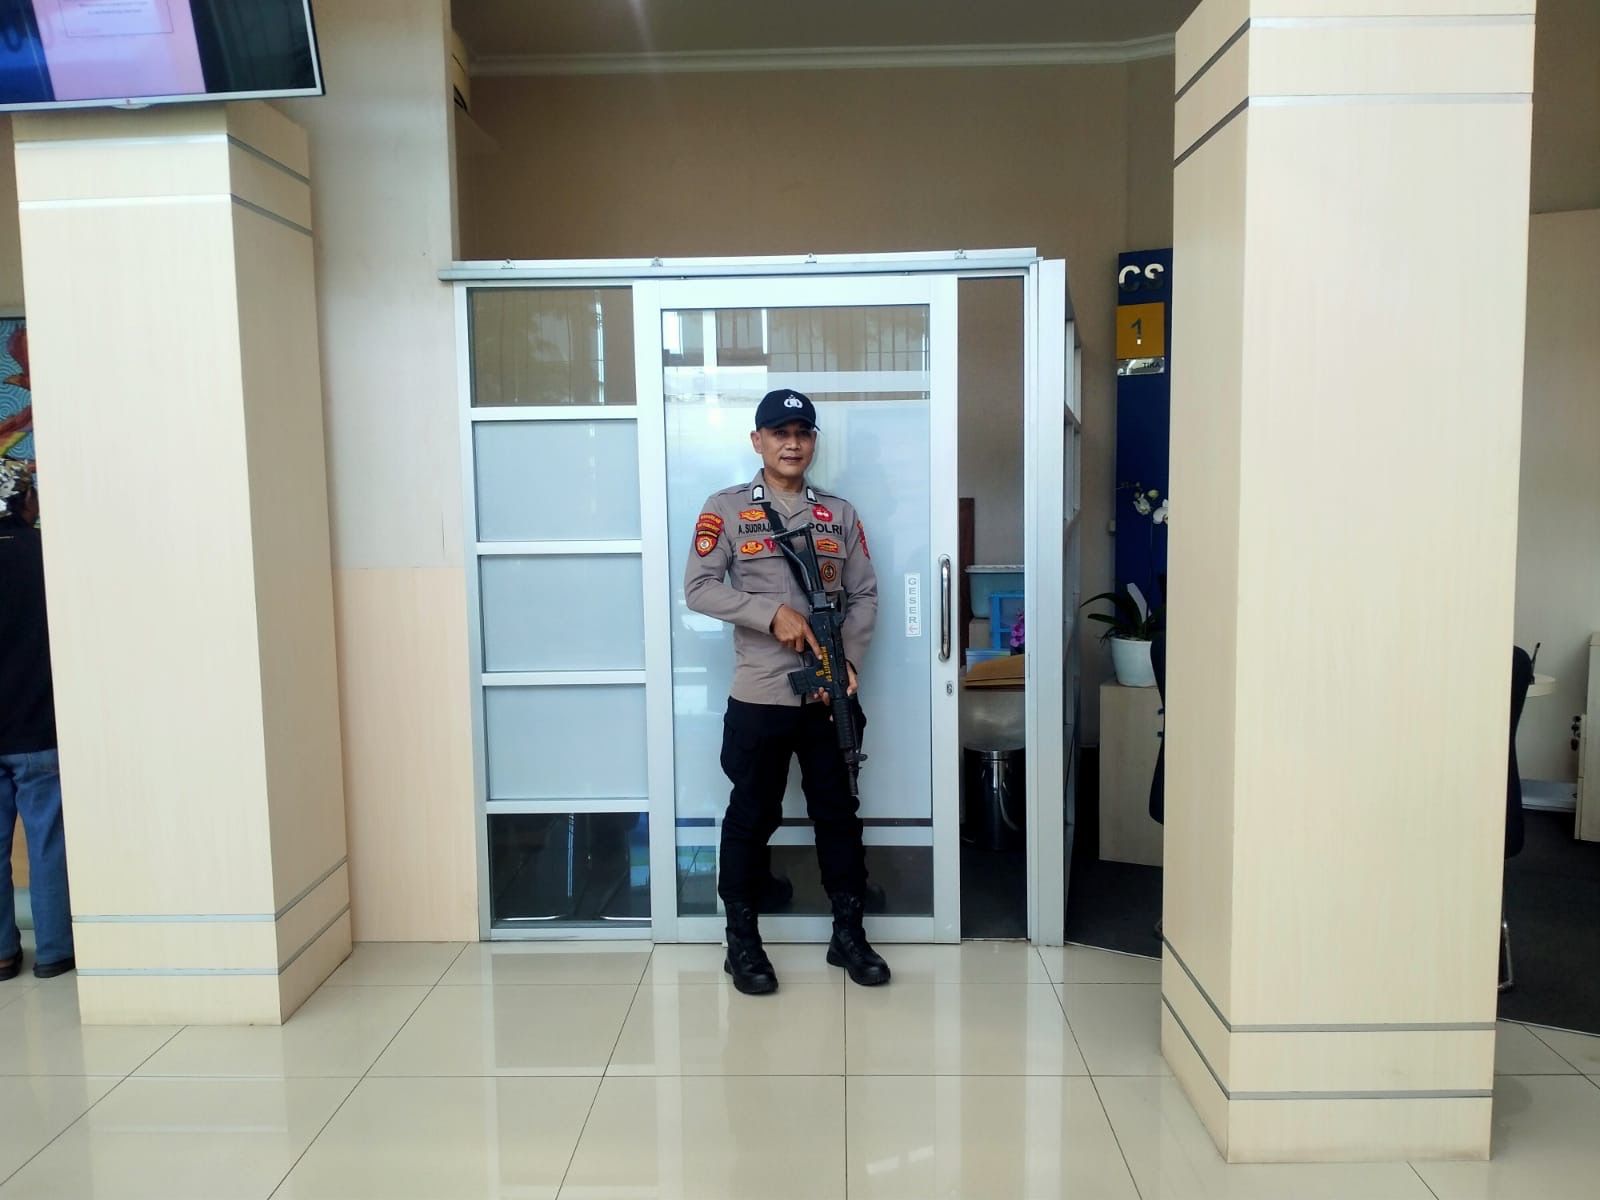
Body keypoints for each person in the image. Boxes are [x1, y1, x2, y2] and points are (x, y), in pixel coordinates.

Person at [684, 388, 891, 994]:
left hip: (829, 695)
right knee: (752, 815)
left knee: (838, 813)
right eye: (779, 432)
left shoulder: (839, 514)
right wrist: (769, 612)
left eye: (802, 433)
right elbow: (698, 587)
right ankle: (742, 942)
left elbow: (865, 593)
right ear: (758, 441)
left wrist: (847, 662)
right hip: (761, 694)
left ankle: (847, 934)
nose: (792, 443)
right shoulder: (725, 509)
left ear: (813, 442)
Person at [0, 460, 73, 982]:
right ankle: (54, 951)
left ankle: (3, 955)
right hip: (37, 725)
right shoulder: (48, 555)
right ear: (25, 502)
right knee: (47, 841)